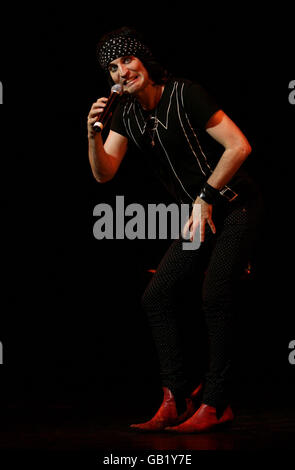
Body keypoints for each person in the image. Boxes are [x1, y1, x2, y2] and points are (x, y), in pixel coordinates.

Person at [87, 26, 263, 433]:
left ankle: (217, 403)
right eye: (112, 67)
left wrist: (204, 198)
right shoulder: (126, 114)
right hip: (198, 215)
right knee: (157, 294)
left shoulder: (186, 93)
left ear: (144, 61)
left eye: (127, 60)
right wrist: (92, 135)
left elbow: (239, 146)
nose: (120, 71)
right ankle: (178, 396)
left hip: (235, 204)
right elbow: (104, 173)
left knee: (215, 291)